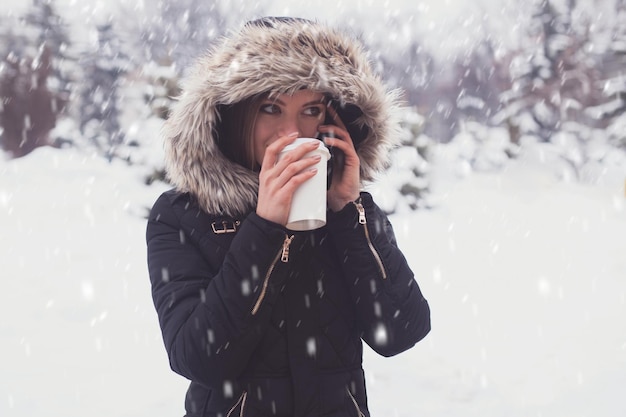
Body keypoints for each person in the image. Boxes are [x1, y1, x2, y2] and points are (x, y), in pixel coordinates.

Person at [146, 16, 431, 417]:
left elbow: (402, 330)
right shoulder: (183, 216)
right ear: (235, 114)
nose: (293, 132)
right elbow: (198, 356)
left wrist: (349, 209)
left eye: (311, 110)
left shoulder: (345, 212)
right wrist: (265, 228)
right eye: (270, 108)